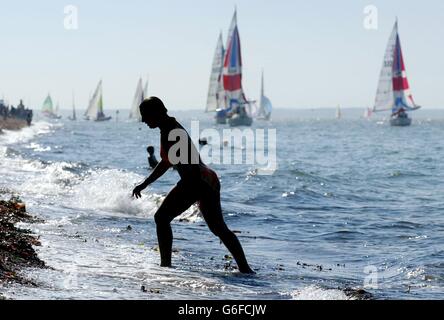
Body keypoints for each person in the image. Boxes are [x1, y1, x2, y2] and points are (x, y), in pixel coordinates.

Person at [132, 97, 254, 274]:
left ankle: (165, 267)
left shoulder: (172, 131)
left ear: (156, 113)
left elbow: (176, 165)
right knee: (219, 229)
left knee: (161, 218)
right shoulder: (167, 128)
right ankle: (246, 269)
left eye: (145, 115)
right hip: (207, 179)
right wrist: (145, 184)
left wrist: (188, 189)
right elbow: (167, 162)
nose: (143, 120)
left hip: (197, 180)